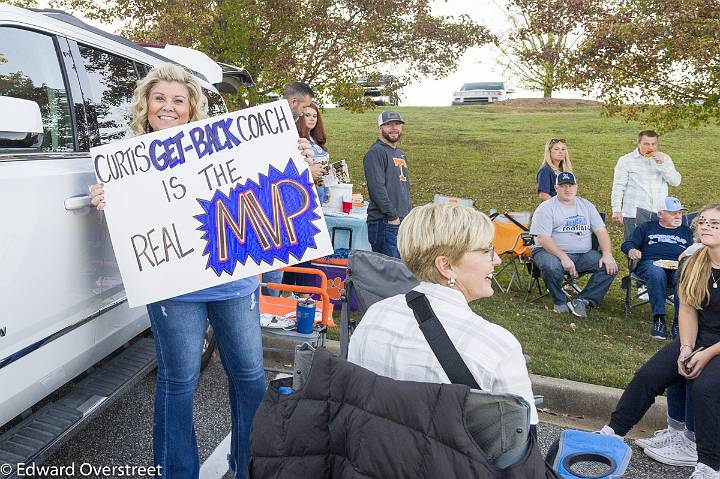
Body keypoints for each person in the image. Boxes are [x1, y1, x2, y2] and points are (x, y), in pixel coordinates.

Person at [90, 63, 314, 479]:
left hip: (234, 282)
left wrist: (295, 157)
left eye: (179, 99)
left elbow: (273, 187)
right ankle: (176, 472)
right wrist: (108, 200)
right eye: (160, 98)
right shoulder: (126, 161)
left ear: (192, 107)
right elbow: (134, 233)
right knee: (179, 382)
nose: (168, 107)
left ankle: (248, 466)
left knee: (249, 377)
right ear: (147, 104)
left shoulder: (225, 147)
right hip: (174, 291)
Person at [348, 203, 538, 426]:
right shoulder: (496, 347)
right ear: (446, 266)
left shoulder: (374, 317)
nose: (496, 260)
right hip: (445, 461)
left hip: (372, 456)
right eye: (487, 251)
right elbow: (522, 444)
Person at [599, 203, 720, 479]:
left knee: (705, 389)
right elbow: (687, 308)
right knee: (649, 375)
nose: (706, 227)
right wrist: (687, 348)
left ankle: (710, 466)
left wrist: (706, 354)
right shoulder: (694, 260)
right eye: (703, 222)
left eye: (715, 223)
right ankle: (611, 434)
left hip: (718, 346)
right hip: (699, 337)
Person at [530, 172, 618, 317]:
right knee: (551, 266)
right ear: (556, 188)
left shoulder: (586, 205)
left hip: (583, 255)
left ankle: (582, 300)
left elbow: (601, 231)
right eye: (563, 186)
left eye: (570, 185)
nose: (567, 189)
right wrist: (563, 257)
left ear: (576, 187)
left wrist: (607, 254)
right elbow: (544, 239)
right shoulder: (546, 208)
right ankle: (559, 301)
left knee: (611, 267)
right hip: (548, 252)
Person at [263, 82, 318, 297]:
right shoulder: (266, 124)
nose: (306, 113)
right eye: (305, 108)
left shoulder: (290, 127)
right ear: (293, 103)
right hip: (265, 206)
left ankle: (270, 309)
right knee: (270, 272)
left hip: (282, 207)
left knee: (275, 269)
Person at [622, 196, 694, 339]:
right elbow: (627, 244)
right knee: (656, 272)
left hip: (678, 266)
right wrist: (632, 251)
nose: (678, 216)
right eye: (673, 213)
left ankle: (679, 323)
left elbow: (699, 249)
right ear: (660, 214)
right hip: (650, 264)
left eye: (680, 213)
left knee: (684, 274)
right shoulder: (647, 227)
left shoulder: (687, 232)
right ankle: (659, 319)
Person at [611, 130, 682, 240]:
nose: (651, 147)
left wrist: (662, 165)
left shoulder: (665, 159)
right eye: (646, 144)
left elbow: (675, 182)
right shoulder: (626, 160)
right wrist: (616, 209)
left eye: (654, 144)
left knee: (657, 245)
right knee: (634, 247)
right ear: (638, 143)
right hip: (634, 212)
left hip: (659, 212)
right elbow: (618, 186)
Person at [363, 110, 411, 258]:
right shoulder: (376, 153)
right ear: (380, 128)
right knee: (387, 273)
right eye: (388, 125)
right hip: (385, 221)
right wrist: (392, 216)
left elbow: (403, 188)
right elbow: (377, 188)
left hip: (402, 220)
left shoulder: (399, 153)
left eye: (397, 124)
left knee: (399, 270)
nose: (394, 128)